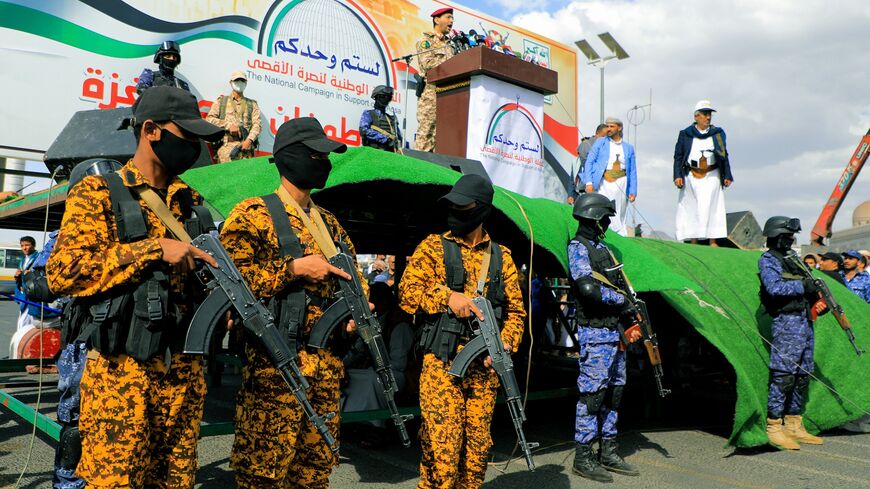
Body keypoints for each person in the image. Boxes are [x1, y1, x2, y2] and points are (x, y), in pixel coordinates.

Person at [47, 86, 223, 488]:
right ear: (151, 130)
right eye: (188, 136)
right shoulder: (99, 192)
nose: (194, 147)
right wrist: (153, 250)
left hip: (183, 377)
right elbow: (64, 273)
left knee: (176, 481)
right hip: (121, 375)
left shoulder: (191, 202)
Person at [221, 117, 363, 488]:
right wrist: (294, 268)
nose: (326, 163)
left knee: (314, 473)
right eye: (318, 155)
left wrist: (353, 314)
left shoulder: (329, 223)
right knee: (264, 475)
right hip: (276, 369)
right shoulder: (254, 214)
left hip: (327, 370)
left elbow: (354, 279)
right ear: (292, 158)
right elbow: (227, 282)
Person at [399, 174, 526, 488]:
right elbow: (407, 294)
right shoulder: (434, 246)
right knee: (442, 452)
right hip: (443, 367)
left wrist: (505, 344)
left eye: (462, 206)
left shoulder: (501, 257)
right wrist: (447, 297)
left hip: (483, 373)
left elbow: (516, 314)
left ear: (481, 209)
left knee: (476, 456)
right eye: (451, 206)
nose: (454, 212)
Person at [50, 158, 123, 489]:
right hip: (85, 340)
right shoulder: (71, 234)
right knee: (76, 421)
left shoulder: (134, 226)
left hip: (123, 342)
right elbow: (53, 280)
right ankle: (68, 482)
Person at [567, 193, 643, 482]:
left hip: (615, 333)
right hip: (596, 334)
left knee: (614, 394)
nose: (609, 223)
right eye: (606, 218)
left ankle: (608, 451)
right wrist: (622, 302)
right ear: (596, 218)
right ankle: (583, 455)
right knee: (592, 396)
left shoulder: (604, 250)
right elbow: (588, 289)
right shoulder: (579, 247)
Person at [758, 216, 826, 450]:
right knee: (784, 375)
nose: (791, 241)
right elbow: (774, 288)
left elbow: (810, 285)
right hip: (787, 323)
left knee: (802, 375)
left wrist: (816, 300)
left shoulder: (794, 259)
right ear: (777, 237)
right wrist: (802, 286)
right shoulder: (768, 260)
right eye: (787, 237)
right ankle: (774, 425)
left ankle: (794, 424)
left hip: (804, 321)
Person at [341, 282, 414, 446]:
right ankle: (355, 421)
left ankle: (376, 427)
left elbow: (399, 363)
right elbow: (358, 350)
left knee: (372, 380)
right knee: (349, 375)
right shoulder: (373, 320)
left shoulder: (398, 324)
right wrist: (342, 365)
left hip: (397, 375)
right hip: (372, 370)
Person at [673, 100, 734, 246]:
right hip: (692, 174)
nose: (708, 118)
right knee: (692, 206)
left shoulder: (718, 134)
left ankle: (712, 240)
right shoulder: (685, 134)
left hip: (711, 174)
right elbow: (678, 156)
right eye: (705, 114)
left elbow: (724, 154)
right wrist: (677, 175)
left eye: (710, 115)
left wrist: (727, 175)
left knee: (712, 206)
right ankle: (693, 239)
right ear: (696, 117)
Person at [581, 118, 637, 237]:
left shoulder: (628, 148)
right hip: (603, 182)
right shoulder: (601, 142)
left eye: (612, 126)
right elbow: (590, 161)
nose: (609, 129)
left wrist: (633, 190)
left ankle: (621, 236)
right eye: (607, 126)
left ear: (619, 128)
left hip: (622, 182)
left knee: (620, 211)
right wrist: (589, 182)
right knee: (604, 208)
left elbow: (632, 170)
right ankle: (605, 233)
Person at [414, 8, 455, 152]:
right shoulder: (425, 41)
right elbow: (427, 64)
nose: (451, 21)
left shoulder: (450, 46)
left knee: (441, 135)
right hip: (430, 94)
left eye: (452, 18)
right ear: (437, 20)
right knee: (426, 132)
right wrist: (451, 66)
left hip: (447, 94)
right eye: (448, 17)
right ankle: (417, 168)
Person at [206, 70, 262, 163]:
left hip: (246, 150)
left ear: (246, 83)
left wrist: (249, 140)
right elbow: (209, 119)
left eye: (242, 81)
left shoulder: (252, 104)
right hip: (226, 149)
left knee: (246, 177)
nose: (240, 83)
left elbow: (257, 124)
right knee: (226, 176)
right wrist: (228, 125)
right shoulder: (222, 101)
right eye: (237, 80)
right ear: (231, 82)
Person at [570, 124, 609, 204]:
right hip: (586, 188)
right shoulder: (586, 145)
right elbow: (582, 167)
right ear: (597, 133)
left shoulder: (607, 147)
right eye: (603, 136)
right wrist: (570, 194)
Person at [360, 85, 402, 152]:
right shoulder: (369, 114)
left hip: (390, 154)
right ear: (377, 97)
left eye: (388, 97)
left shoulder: (392, 119)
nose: (386, 99)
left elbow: (399, 138)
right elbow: (363, 130)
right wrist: (385, 139)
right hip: (373, 152)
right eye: (383, 97)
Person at [14, 236, 39, 330]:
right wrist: (17, 276)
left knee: (28, 324)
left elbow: (43, 274)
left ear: (33, 246)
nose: (24, 248)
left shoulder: (39, 258)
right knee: (22, 323)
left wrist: (32, 274)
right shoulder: (22, 260)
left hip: (33, 295)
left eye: (27, 245)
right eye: (22, 246)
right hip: (24, 295)